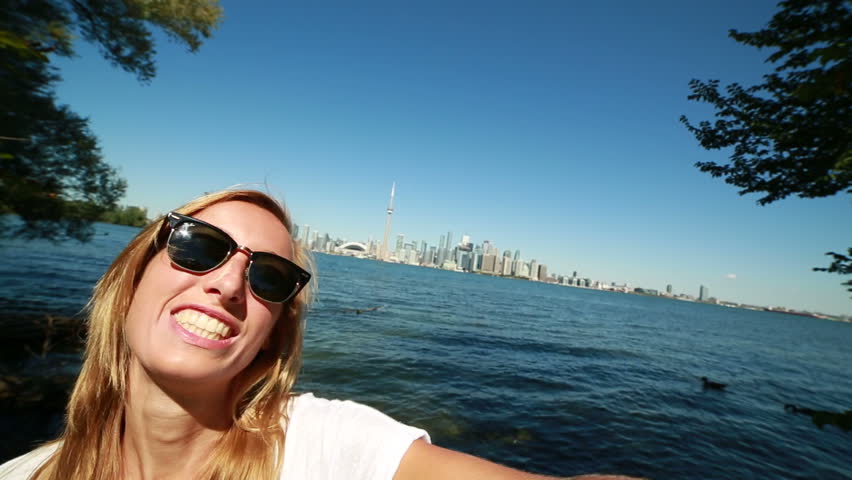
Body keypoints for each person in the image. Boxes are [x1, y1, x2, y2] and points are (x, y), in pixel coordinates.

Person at [0, 189, 642, 480]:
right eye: (199, 247)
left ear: (273, 334)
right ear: (132, 272)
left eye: (271, 278)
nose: (227, 286)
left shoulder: (324, 447)